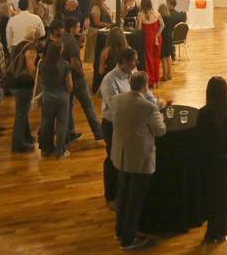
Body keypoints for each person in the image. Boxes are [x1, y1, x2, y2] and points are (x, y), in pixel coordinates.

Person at [110, 71, 167, 250]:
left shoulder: (117, 100)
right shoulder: (148, 107)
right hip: (139, 159)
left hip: (121, 155)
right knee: (135, 200)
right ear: (145, 85)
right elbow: (160, 131)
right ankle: (129, 239)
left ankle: (120, 230)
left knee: (123, 195)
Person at [100, 48, 147, 210]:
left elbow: (144, 93)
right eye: (135, 60)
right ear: (125, 62)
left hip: (129, 124)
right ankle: (111, 196)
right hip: (112, 125)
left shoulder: (133, 73)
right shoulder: (109, 81)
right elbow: (115, 107)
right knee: (113, 160)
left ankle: (124, 193)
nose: (137, 63)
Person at [196, 76, 227, 244]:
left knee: (212, 193)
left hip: (211, 159)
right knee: (225, 191)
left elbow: (199, 139)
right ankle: (222, 231)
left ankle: (211, 231)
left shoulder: (204, 113)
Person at [62, 17, 104, 143]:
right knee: (88, 106)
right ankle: (98, 132)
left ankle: (70, 133)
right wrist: (82, 74)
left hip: (66, 78)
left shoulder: (62, 38)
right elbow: (74, 62)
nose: (80, 28)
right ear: (72, 28)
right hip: (76, 79)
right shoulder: (71, 42)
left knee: (68, 107)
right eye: (78, 26)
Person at [37, 40, 73, 159]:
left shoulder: (42, 64)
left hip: (47, 95)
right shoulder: (65, 64)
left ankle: (46, 150)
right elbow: (69, 85)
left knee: (46, 123)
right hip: (62, 96)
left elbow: (41, 81)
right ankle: (60, 151)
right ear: (60, 51)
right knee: (62, 124)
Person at [8, 26, 38, 153]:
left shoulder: (19, 45)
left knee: (22, 112)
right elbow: (31, 66)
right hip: (23, 84)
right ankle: (18, 144)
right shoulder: (30, 48)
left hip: (13, 82)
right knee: (21, 114)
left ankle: (27, 137)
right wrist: (37, 78)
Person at [137, 0, 164, 88]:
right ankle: (157, 81)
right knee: (157, 59)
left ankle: (151, 81)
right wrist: (157, 35)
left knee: (148, 60)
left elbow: (139, 29)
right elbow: (162, 25)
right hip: (157, 38)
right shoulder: (157, 13)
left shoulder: (140, 15)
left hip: (147, 38)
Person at [158, 4, 175, 81]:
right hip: (170, 38)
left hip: (163, 38)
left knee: (163, 57)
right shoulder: (170, 17)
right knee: (168, 57)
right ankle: (169, 74)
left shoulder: (161, 18)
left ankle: (164, 76)